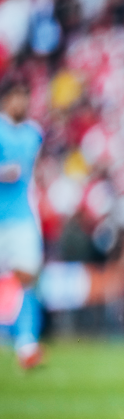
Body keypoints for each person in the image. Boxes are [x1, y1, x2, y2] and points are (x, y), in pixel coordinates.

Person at [0, 77, 44, 370]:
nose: (22, 103)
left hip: (22, 217)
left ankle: (26, 343)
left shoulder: (34, 134)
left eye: (25, 97)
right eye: (17, 96)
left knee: (28, 277)